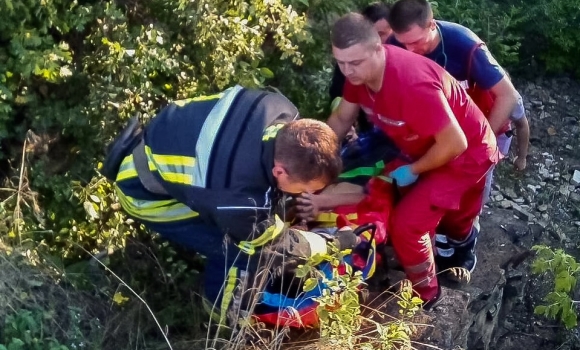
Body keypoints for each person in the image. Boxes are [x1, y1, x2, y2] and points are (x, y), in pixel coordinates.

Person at [101, 85, 343, 324]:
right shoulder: (243, 203)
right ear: (279, 170)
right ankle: (223, 317)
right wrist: (329, 243)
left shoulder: (280, 108)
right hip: (144, 193)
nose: (308, 195)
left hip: (161, 145)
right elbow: (274, 243)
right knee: (241, 249)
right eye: (304, 189)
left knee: (251, 222)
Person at [327, 13, 499, 305]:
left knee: (407, 224)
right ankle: (423, 257)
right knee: (400, 206)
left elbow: (455, 143)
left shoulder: (411, 84)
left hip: (465, 154)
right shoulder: (359, 75)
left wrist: (415, 169)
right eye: (341, 63)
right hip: (427, 145)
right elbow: (342, 117)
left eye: (354, 63)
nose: (348, 71)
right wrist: (320, 160)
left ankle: (426, 296)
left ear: (379, 49)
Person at [386, 0, 530, 197]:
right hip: (434, 124)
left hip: (476, 119)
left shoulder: (465, 45)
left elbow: (508, 95)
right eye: (404, 43)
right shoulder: (394, 43)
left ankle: (472, 221)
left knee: (471, 190)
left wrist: (479, 141)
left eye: (416, 42)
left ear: (432, 25)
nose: (409, 50)